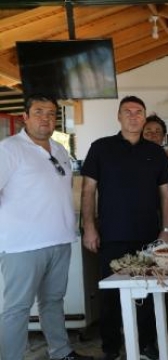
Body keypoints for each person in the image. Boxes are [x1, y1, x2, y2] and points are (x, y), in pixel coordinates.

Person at [0, 95, 93, 360]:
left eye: (51, 113)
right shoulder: (9, 149)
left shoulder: (59, 149)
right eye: (39, 112)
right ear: (25, 117)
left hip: (59, 240)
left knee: (53, 302)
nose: (46, 118)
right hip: (22, 245)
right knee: (17, 309)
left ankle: (61, 353)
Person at [81, 95, 168, 360]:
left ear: (144, 117)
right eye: (128, 111)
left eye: (138, 112)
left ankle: (147, 345)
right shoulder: (100, 148)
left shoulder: (155, 152)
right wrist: (89, 227)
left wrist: (166, 229)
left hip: (148, 237)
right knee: (109, 298)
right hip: (112, 235)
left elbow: (166, 194)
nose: (133, 116)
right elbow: (88, 191)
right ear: (119, 116)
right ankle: (111, 348)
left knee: (147, 295)